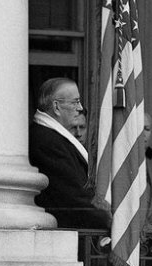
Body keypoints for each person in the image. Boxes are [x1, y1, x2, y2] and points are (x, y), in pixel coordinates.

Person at [29, 78, 110, 229]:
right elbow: (73, 198)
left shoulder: (52, 138)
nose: (80, 107)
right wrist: (113, 221)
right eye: (75, 102)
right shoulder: (47, 141)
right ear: (56, 107)